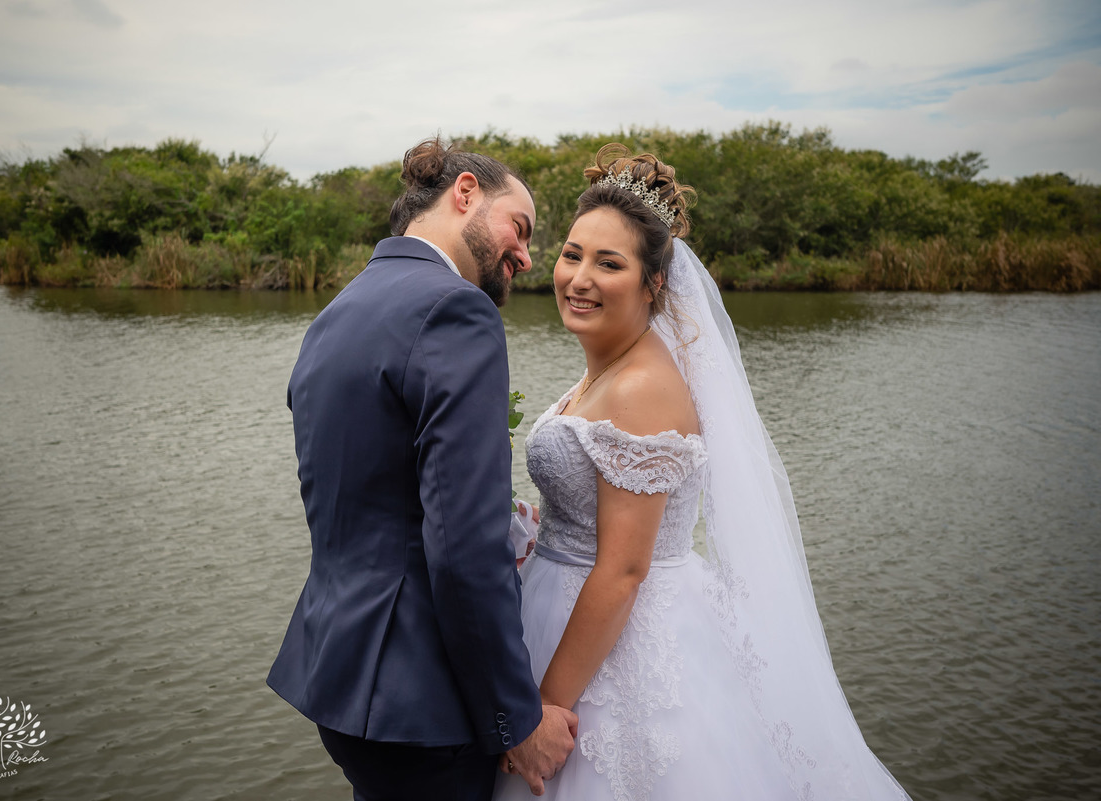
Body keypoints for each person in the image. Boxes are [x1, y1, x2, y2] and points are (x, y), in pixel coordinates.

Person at [494, 145, 911, 800]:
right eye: (572, 254)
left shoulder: (641, 385)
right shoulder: (608, 360)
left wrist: (543, 711)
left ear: (654, 283)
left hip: (612, 650)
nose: (579, 277)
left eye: (610, 263)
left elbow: (624, 568)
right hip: (559, 608)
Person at [267, 137, 577, 801]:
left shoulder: (338, 312)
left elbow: (366, 497)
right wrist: (515, 720)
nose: (526, 254)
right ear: (463, 192)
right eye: (518, 228)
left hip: (343, 678)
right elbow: (463, 546)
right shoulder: (455, 310)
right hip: (425, 701)